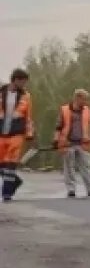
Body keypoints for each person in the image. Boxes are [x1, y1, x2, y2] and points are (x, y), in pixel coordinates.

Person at [0, 68, 35, 202]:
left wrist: (30, 134)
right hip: (1, 133)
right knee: (2, 164)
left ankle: (6, 193)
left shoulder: (26, 96)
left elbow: (28, 117)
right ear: (16, 79)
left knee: (10, 164)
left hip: (17, 134)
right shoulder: (1, 92)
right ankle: (15, 181)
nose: (24, 85)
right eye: (23, 81)